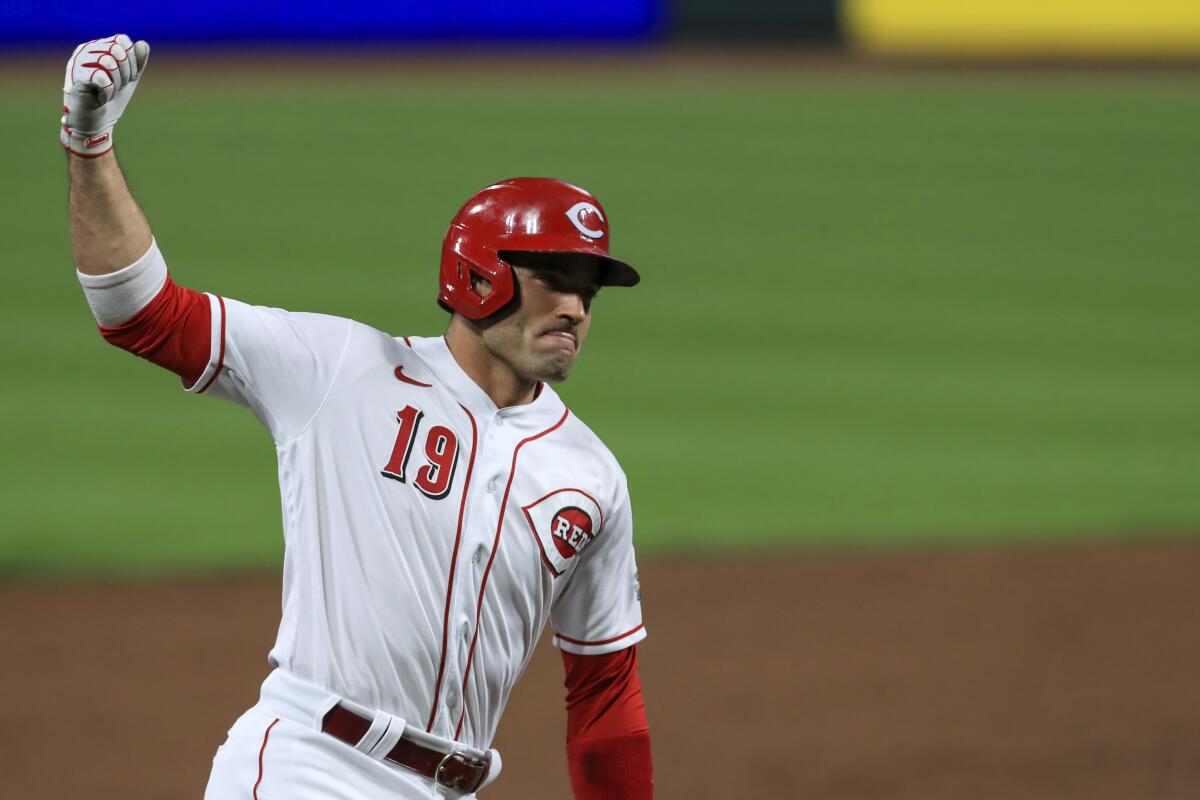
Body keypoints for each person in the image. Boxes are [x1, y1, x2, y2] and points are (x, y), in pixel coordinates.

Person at [64, 34, 653, 799]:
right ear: (476, 275)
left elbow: (607, 693)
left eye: (589, 292)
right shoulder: (339, 368)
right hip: (310, 767)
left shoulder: (591, 475)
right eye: (554, 280)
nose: (575, 307)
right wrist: (89, 146)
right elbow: (139, 313)